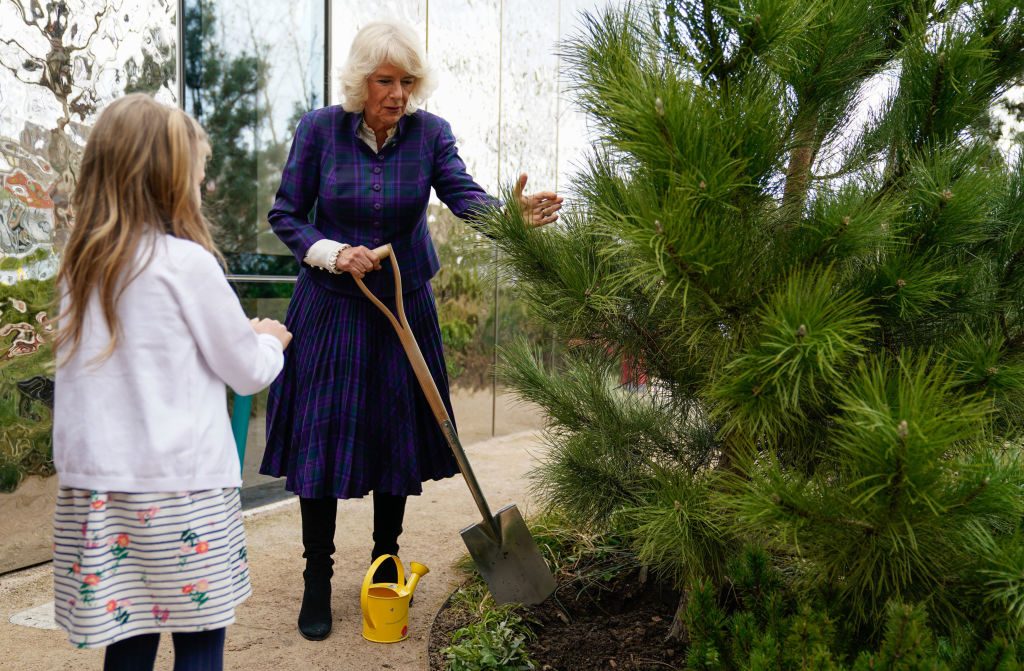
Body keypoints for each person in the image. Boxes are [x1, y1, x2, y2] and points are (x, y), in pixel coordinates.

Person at [261, 19, 562, 641]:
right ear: (360, 82)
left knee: (391, 438)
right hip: (332, 304)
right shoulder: (319, 130)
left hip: (402, 306)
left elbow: (464, 197)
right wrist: (332, 251)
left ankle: (384, 563)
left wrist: (511, 216)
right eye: (385, 81)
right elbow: (285, 214)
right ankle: (318, 578)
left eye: (407, 81)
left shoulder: (430, 135)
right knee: (322, 446)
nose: (398, 94)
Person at [51, 93, 292, 671]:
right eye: (198, 174)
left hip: (99, 495)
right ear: (169, 179)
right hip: (183, 496)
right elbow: (246, 371)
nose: (203, 186)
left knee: (129, 640)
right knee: (200, 641)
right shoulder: (187, 264)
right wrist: (268, 339)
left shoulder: (79, 270)